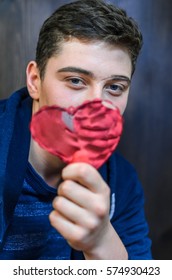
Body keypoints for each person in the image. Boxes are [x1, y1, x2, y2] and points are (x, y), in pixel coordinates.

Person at [0, 0, 152, 260]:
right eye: (75, 81)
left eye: (114, 87)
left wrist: (101, 241)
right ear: (35, 81)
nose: (96, 106)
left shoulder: (123, 181)